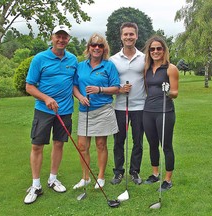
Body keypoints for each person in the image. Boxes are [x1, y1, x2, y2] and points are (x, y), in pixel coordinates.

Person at [23, 25, 78, 204]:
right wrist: (46, 98)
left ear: (68, 39)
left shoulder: (73, 59)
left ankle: (53, 179)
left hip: (65, 110)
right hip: (44, 110)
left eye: (65, 37)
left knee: (58, 144)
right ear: (52, 37)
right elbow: (29, 86)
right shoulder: (40, 59)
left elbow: (74, 84)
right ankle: (36, 185)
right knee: (37, 146)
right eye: (58, 36)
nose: (61, 40)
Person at [73, 33, 120, 189]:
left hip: (103, 109)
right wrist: (80, 97)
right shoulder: (80, 66)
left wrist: (99, 89)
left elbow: (116, 88)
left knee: (100, 144)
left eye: (100, 45)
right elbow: (74, 86)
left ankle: (100, 177)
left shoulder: (109, 66)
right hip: (84, 110)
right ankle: (85, 177)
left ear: (104, 49)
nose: (97, 48)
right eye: (94, 45)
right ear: (89, 47)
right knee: (82, 145)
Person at [109, 22, 146, 185]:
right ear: (121, 37)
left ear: (136, 36)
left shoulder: (145, 58)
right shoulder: (113, 60)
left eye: (132, 34)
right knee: (119, 141)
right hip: (120, 107)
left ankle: (135, 171)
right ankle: (118, 172)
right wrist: (119, 89)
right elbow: (110, 84)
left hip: (140, 107)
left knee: (138, 141)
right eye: (126, 34)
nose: (129, 37)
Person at [143, 36, 179, 191]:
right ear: (149, 51)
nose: (155, 51)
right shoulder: (147, 69)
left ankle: (168, 179)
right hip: (148, 111)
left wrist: (168, 91)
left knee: (166, 145)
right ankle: (155, 174)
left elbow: (175, 93)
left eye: (159, 48)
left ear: (164, 50)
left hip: (165, 111)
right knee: (152, 144)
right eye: (152, 49)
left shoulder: (171, 68)